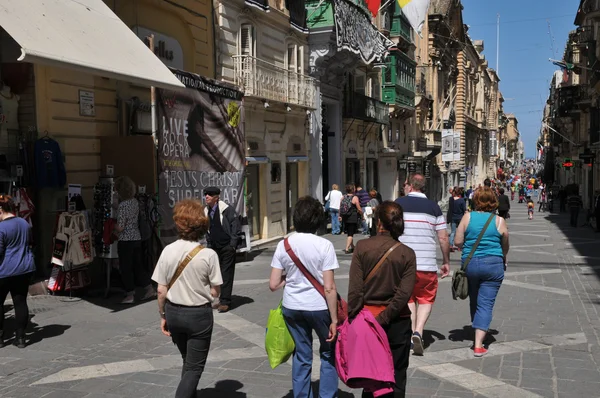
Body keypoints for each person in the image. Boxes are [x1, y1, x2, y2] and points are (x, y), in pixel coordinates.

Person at [269, 196, 340, 398]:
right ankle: (327, 395)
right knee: (327, 352)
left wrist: (288, 281)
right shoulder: (324, 245)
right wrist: (334, 320)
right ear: (318, 220)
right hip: (318, 307)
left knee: (301, 354)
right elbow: (329, 287)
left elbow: (273, 284)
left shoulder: (284, 245)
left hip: (292, 305)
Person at [152, 199, 222, 398]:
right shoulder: (208, 255)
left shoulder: (168, 250)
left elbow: (161, 290)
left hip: (174, 312)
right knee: (194, 368)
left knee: (187, 360)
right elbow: (216, 292)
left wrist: (163, 314)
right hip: (199, 315)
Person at [348, 201, 417, 397]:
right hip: (397, 322)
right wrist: (385, 317)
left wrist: (354, 317)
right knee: (397, 375)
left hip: (367, 320)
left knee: (369, 377)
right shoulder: (407, 254)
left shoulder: (362, 247)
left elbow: (355, 290)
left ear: (379, 222)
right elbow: (404, 294)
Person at [395, 174, 450, 356]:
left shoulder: (398, 204)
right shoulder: (434, 207)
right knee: (426, 298)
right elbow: (443, 237)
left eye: (405, 184)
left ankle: (411, 335)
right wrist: (446, 261)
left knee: (409, 298)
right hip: (426, 264)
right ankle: (419, 331)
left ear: (410, 186)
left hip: (403, 263)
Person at [454, 187, 509, 357]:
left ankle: (476, 329)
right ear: (494, 202)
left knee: (475, 298)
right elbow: (505, 243)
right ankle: (478, 344)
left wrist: (467, 247)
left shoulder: (467, 217)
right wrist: (503, 256)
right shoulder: (499, 221)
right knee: (486, 303)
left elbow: (457, 241)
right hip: (493, 264)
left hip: (471, 264)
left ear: (475, 201)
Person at [0, 195, 35, 348]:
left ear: (1, 209)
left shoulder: (1, 228)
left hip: (4, 271)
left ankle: (0, 338)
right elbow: (30, 243)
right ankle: (20, 338)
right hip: (24, 269)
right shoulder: (24, 223)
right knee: (20, 302)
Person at [114, 176, 155, 304]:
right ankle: (149, 288)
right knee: (138, 266)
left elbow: (120, 227)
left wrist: (112, 226)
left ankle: (130, 294)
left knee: (126, 268)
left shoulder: (123, 205)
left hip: (126, 240)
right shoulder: (134, 202)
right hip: (137, 238)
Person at [204, 186, 240, 313]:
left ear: (216, 197)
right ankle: (218, 299)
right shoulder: (206, 211)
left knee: (226, 273)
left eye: (209, 194)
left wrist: (232, 245)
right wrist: (209, 246)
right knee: (215, 274)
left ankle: (225, 301)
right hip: (214, 247)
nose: (206, 196)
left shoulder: (227, 209)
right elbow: (207, 230)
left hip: (226, 247)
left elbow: (235, 226)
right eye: (206, 194)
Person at [342, 184, 363, 254]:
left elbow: (340, 207)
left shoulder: (343, 197)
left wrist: (340, 216)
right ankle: (347, 248)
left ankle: (353, 246)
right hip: (352, 217)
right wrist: (361, 214)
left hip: (345, 217)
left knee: (349, 233)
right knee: (351, 233)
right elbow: (359, 208)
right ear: (353, 190)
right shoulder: (355, 198)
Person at [450, 188, 466, 252]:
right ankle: (460, 246)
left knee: (453, 232)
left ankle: (451, 245)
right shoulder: (462, 200)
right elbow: (464, 209)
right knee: (461, 232)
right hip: (460, 218)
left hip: (453, 217)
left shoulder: (451, 200)